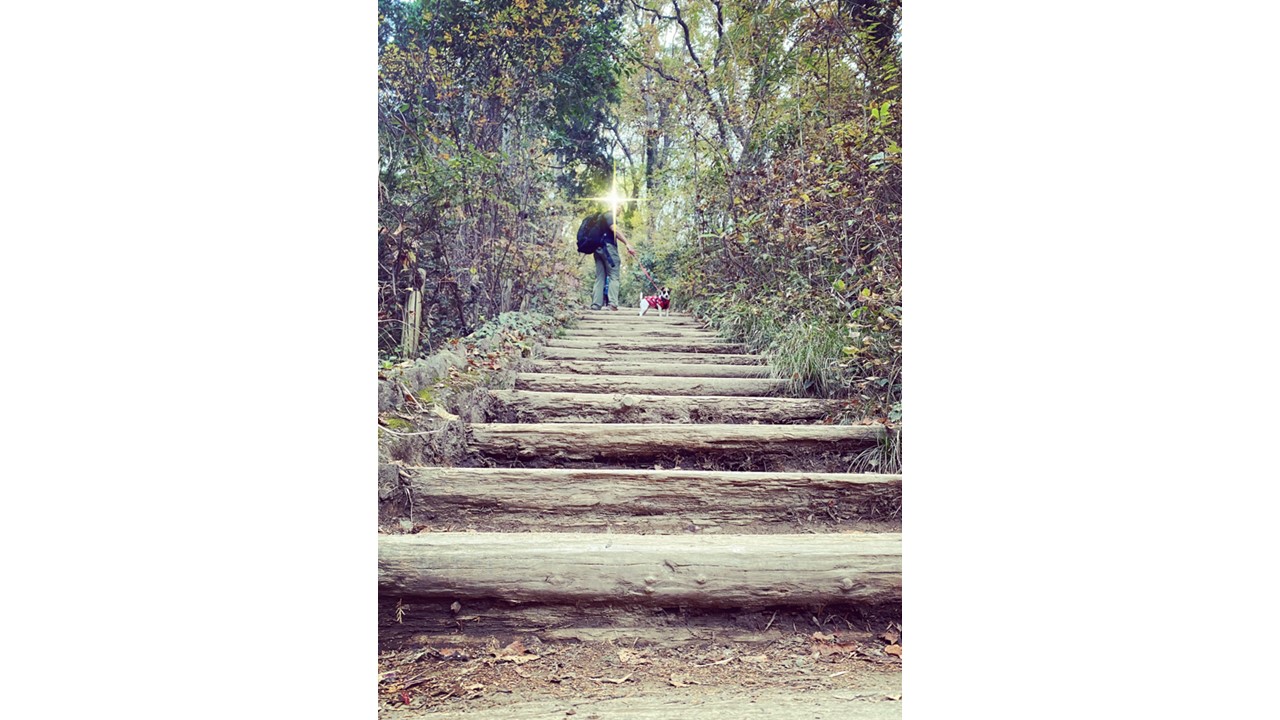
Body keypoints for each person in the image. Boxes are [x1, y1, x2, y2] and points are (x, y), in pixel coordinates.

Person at [589, 210, 628, 311]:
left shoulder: (599, 219)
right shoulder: (610, 215)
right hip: (608, 248)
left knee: (600, 277)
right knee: (614, 276)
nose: (620, 209)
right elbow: (614, 228)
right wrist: (627, 243)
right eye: (619, 206)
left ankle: (596, 304)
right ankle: (612, 304)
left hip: (597, 249)